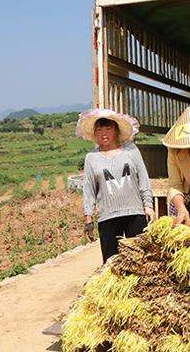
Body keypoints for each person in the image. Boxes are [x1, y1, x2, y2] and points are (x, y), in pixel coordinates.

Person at [76, 108, 155, 263]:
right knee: (112, 265)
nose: (104, 133)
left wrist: (149, 205)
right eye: (99, 129)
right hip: (108, 217)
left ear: (116, 130)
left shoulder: (131, 151)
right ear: (94, 133)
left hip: (135, 214)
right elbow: (89, 190)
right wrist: (88, 219)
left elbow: (143, 178)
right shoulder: (92, 158)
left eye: (108, 128)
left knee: (141, 261)